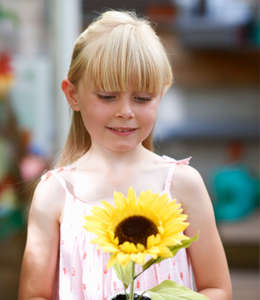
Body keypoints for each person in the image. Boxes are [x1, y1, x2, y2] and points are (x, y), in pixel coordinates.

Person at [18, 10, 232, 300]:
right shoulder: (55, 194)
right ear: (73, 95)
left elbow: (217, 288)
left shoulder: (183, 185)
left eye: (142, 98)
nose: (126, 111)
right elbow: (33, 295)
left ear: (160, 95)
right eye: (107, 96)